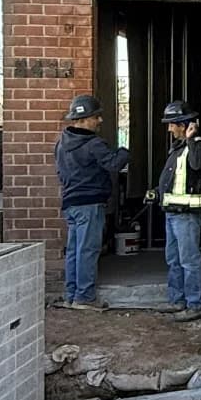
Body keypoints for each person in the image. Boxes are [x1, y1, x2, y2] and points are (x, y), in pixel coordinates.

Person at [54, 93, 129, 308]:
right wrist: (125, 151)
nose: (100, 121)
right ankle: (85, 297)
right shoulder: (93, 143)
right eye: (97, 117)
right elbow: (114, 164)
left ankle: (71, 295)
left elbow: (60, 174)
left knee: (74, 250)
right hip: (90, 204)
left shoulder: (61, 145)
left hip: (70, 203)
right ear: (85, 119)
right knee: (88, 250)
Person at [151, 99, 201, 317]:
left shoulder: (197, 145)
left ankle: (195, 305)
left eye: (172, 124)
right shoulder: (178, 148)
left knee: (189, 260)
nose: (169, 128)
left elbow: (196, 166)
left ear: (185, 124)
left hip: (187, 215)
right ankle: (177, 300)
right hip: (173, 211)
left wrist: (191, 138)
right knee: (174, 259)